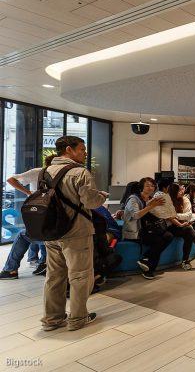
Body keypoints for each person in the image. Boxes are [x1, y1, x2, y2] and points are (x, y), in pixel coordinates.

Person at [41, 136, 108, 331]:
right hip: (76, 232)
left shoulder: (45, 172)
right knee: (80, 276)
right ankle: (78, 318)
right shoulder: (79, 172)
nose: (85, 153)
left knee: (54, 277)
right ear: (69, 150)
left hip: (52, 232)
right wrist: (102, 196)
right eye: (82, 149)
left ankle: (52, 320)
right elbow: (91, 202)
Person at [5, 155, 57, 271]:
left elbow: (10, 180)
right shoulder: (41, 173)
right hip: (43, 210)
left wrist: (29, 193)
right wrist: (28, 192)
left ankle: (37, 262)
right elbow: (11, 180)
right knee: (38, 231)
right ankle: (40, 261)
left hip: (39, 210)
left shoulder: (40, 172)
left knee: (32, 232)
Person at [122, 177, 169, 279]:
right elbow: (135, 216)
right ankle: (150, 270)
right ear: (141, 187)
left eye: (152, 186)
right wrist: (151, 206)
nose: (150, 188)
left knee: (169, 236)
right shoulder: (133, 199)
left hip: (150, 229)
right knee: (158, 241)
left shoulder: (151, 198)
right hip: (137, 232)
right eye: (147, 185)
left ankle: (147, 257)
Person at [149, 180, 195, 270]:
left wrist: (180, 222)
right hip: (163, 227)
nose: (182, 191)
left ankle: (186, 259)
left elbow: (184, 215)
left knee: (189, 231)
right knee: (186, 230)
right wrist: (180, 223)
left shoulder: (178, 199)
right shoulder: (163, 198)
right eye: (179, 190)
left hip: (170, 226)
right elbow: (169, 216)